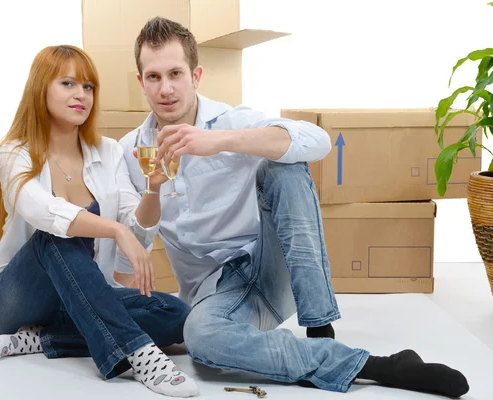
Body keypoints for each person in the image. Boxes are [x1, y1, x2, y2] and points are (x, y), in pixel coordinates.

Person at [117, 17, 470, 398]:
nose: (166, 88)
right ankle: (376, 366)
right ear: (141, 82)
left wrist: (221, 141)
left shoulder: (230, 121)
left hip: (271, 266)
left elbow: (318, 141)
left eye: (176, 73)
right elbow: (131, 247)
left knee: (283, 165)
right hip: (215, 294)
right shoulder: (129, 150)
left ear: (196, 75)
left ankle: (319, 325)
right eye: (154, 77)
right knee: (202, 340)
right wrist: (152, 191)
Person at [0, 44, 198, 398]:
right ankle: (138, 355)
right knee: (56, 236)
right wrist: (115, 229)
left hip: (83, 296)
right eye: (68, 84)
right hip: (14, 302)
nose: (81, 95)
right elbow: (41, 211)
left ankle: (44, 339)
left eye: (88, 87)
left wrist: (153, 190)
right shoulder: (13, 152)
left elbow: (136, 229)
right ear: (41, 89)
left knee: (177, 314)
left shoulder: (108, 151)